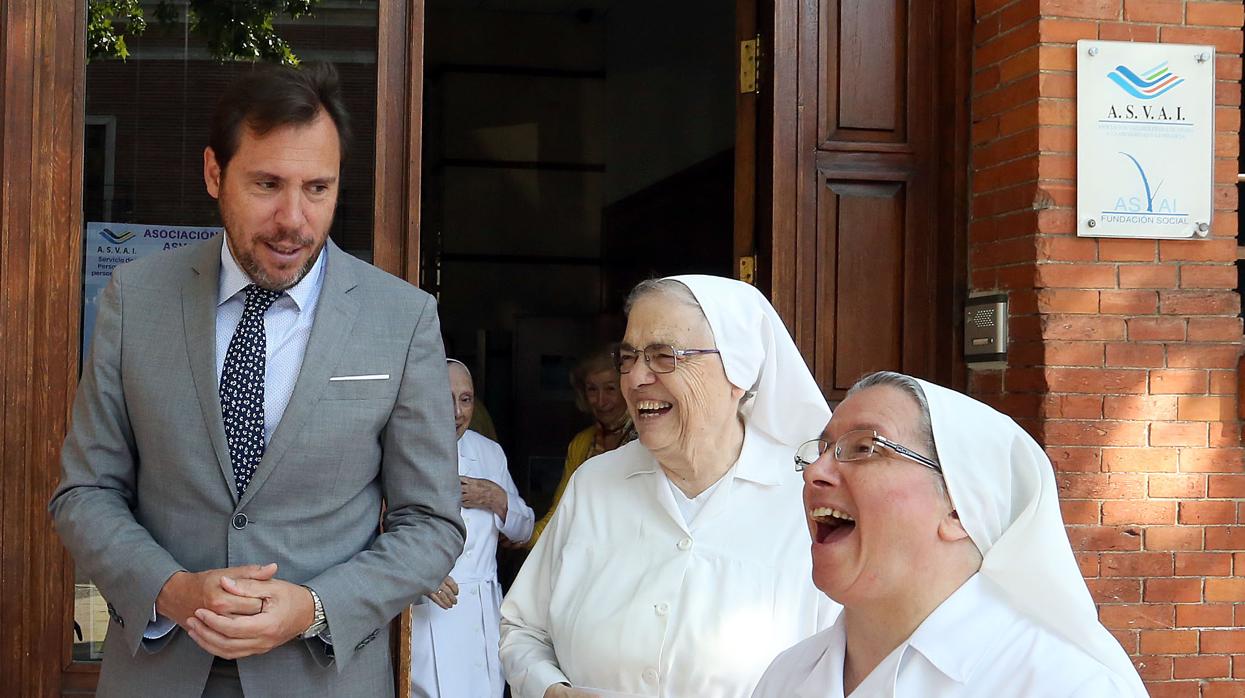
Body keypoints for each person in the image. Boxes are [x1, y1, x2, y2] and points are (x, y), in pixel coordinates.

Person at [49, 64, 465, 697]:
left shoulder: (402, 319)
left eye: (317, 188)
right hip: (158, 670)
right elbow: (85, 491)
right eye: (267, 184)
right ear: (215, 173)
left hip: (324, 678)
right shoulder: (136, 298)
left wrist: (314, 606)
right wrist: (172, 590)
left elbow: (432, 524)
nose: (293, 219)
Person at [500, 275, 840, 698]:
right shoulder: (595, 484)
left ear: (739, 371)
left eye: (664, 356)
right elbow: (522, 629)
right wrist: (552, 690)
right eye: (629, 357)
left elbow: (849, 669)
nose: (636, 377)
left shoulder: (809, 503)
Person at [752, 371, 1148, 697]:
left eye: (865, 448)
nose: (814, 471)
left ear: (960, 506)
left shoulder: (1063, 685)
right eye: (820, 450)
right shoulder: (786, 677)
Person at [410, 359, 534, 697]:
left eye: (465, 399)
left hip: (481, 613)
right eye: (445, 398)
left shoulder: (488, 452)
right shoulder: (403, 448)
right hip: (427, 613)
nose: (456, 411)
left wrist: (497, 499)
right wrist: (416, 575)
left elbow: (524, 530)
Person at [527, 348, 636, 547]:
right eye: (592, 389)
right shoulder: (582, 443)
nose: (601, 401)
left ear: (626, 388)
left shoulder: (646, 439)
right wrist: (525, 536)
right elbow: (561, 511)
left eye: (610, 389)